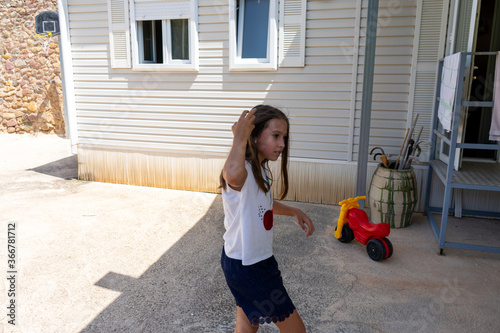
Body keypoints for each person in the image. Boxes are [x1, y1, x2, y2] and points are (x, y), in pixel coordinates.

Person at [219, 105, 315, 332]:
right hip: (250, 266)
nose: (282, 144)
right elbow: (231, 174)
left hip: (241, 263)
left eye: (284, 137)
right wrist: (239, 139)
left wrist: (293, 211)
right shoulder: (242, 168)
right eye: (275, 136)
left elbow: (263, 203)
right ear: (254, 135)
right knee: (295, 330)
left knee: (246, 326)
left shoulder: (259, 169)